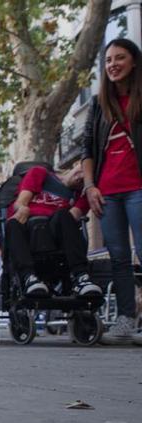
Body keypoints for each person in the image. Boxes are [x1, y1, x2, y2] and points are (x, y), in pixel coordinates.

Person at [81, 38, 142, 345]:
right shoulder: (97, 102)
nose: (113, 64)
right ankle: (126, 319)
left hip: (138, 188)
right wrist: (90, 186)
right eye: (108, 60)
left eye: (120, 58)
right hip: (108, 191)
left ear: (133, 61)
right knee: (118, 258)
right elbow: (87, 148)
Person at [6, 164, 101, 299]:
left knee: (64, 215)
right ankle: (29, 277)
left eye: (85, 179)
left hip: (54, 235)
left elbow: (73, 217)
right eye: (81, 171)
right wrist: (22, 209)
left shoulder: (82, 196)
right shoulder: (40, 173)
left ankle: (81, 277)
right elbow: (21, 202)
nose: (81, 177)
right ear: (75, 165)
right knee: (13, 223)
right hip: (27, 227)